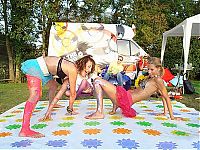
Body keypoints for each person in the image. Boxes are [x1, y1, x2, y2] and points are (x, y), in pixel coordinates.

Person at [85, 57, 181, 121]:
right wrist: (164, 113)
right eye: (148, 69)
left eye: (152, 69)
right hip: (125, 96)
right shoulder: (151, 79)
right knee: (106, 84)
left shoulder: (158, 80)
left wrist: (172, 117)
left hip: (126, 99)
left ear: (159, 68)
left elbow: (166, 97)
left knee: (97, 81)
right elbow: (162, 96)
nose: (149, 71)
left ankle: (99, 112)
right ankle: (113, 107)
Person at [38, 55, 95, 120]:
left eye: (91, 68)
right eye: (89, 67)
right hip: (78, 92)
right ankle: (74, 100)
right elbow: (59, 95)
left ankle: (75, 97)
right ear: (82, 64)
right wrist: (48, 111)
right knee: (68, 93)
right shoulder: (69, 77)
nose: (89, 70)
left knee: (83, 83)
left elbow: (91, 84)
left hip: (87, 90)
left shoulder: (86, 77)